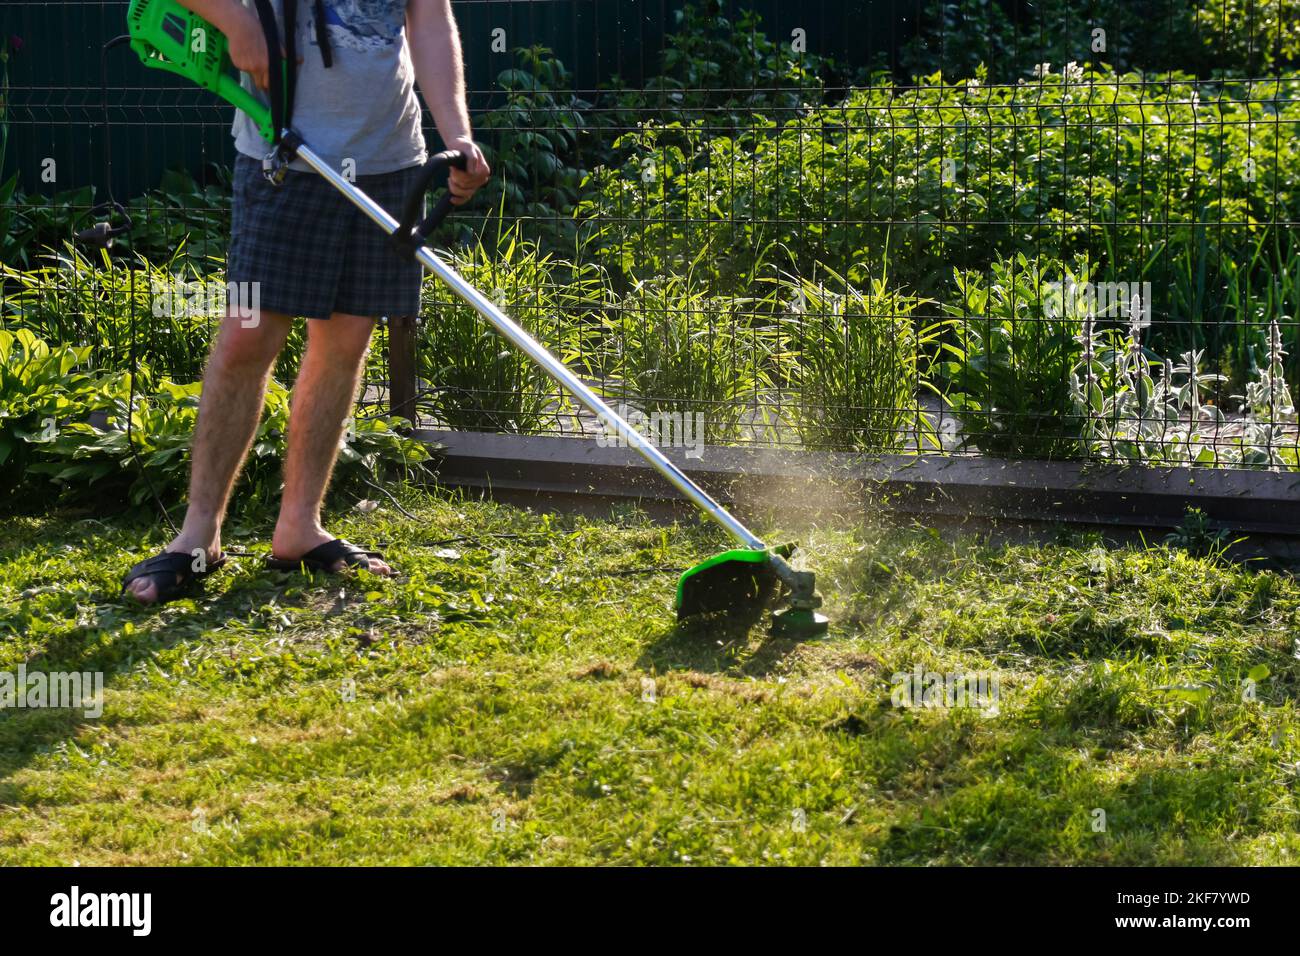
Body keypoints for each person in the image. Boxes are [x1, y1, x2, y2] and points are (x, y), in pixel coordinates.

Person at [123, 0, 490, 604]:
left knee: (345, 341)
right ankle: (198, 534)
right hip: (281, 156)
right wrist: (237, 22)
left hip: (388, 161)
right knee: (246, 336)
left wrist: (457, 134)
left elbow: (428, 19)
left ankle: (299, 525)